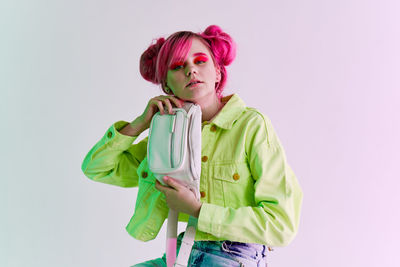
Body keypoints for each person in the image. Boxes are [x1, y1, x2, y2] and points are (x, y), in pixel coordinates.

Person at [81, 25, 303, 267]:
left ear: (218, 72)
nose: (191, 70)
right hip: (179, 257)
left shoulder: (251, 126)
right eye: (178, 66)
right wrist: (139, 124)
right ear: (166, 86)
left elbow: (282, 224)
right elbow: (97, 168)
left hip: (231, 257)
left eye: (200, 61)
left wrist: (198, 210)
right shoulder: (166, 137)